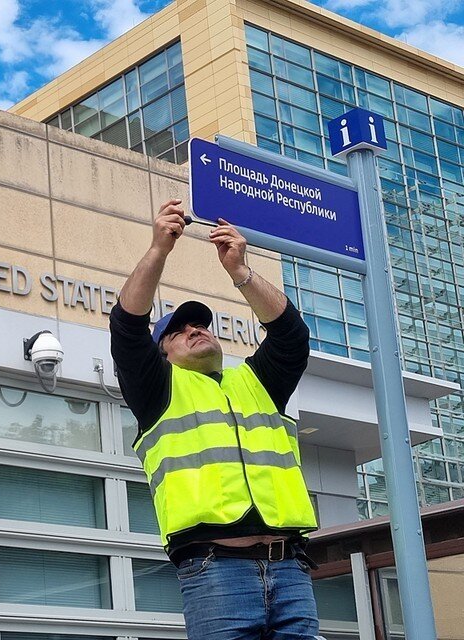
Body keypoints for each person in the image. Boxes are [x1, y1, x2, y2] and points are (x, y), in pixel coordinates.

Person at [110, 198, 321, 640]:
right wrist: (157, 251)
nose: (194, 329)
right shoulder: (158, 390)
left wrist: (240, 271)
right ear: (162, 353)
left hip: (291, 571)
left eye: (200, 324)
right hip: (215, 573)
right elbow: (128, 328)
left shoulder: (256, 380)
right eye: (177, 330)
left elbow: (290, 334)